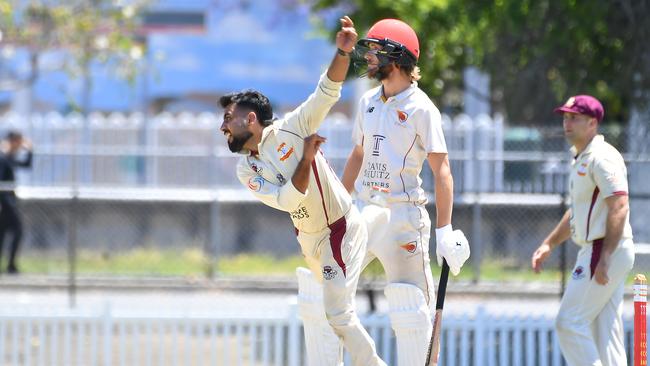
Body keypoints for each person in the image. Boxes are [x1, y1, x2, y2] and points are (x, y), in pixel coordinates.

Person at [219, 16, 386, 366]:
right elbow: (286, 201)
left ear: (251, 119)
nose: (223, 126)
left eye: (229, 118)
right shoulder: (245, 167)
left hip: (337, 227)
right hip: (309, 238)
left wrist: (343, 52)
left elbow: (327, 91)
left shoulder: (294, 126)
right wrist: (306, 161)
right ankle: (376, 222)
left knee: (338, 313)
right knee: (327, 313)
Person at [341, 18, 470, 365]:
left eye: (375, 49)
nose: (368, 56)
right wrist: (338, 207)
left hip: (404, 219)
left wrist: (444, 230)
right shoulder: (368, 100)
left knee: (413, 313)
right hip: (365, 210)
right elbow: (357, 154)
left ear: (396, 56)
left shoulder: (422, 108)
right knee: (332, 287)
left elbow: (441, 169)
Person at [531, 95, 635, 366]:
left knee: (569, 323)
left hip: (603, 249)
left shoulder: (602, 157)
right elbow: (577, 214)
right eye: (565, 117)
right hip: (601, 249)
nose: (567, 122)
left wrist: (606, 257)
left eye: (574, 117)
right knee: (605, 332)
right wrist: (549, 244)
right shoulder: (581, 157)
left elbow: (620, 205)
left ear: (592, 122)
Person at [0, 131, 33, 274]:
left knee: (3, 233)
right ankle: (11, 265)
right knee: (17, 230)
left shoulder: (8, 157)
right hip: (5, 201)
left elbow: (26, 164)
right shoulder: (3, 157)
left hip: (9, 200)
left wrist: (30, 150)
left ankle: (10, 265)